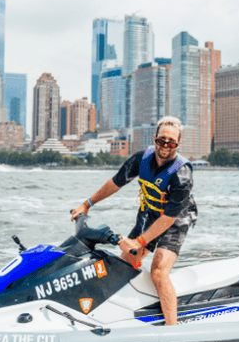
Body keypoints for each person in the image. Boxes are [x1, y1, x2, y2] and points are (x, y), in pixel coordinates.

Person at [70, 116, 197, 325]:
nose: (166, 145)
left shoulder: (182, 173)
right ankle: (116, 315)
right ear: (155, 139)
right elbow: (115, 183)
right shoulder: (141, 159)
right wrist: (87, 204)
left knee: (158, 272)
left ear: (178, 144)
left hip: (174, 221)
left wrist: (139, 242)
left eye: (171, 142)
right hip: (149, 215)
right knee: (125, 263)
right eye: (161, 140)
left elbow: (168, 219)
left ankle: (172, 330)